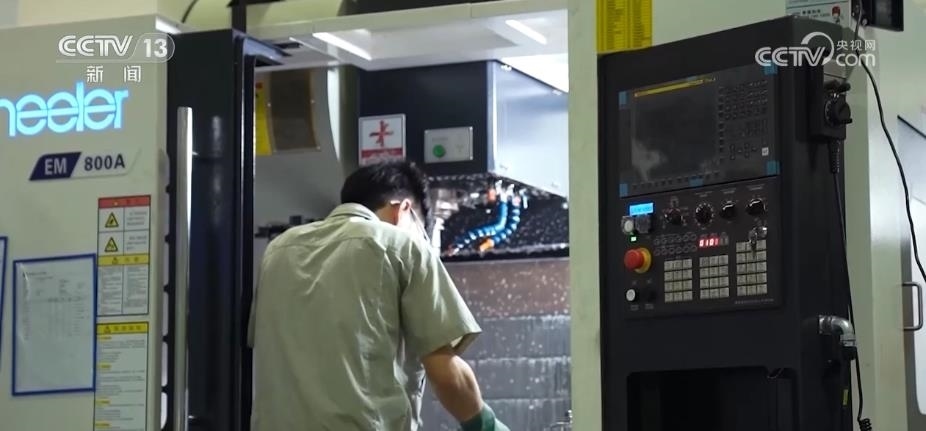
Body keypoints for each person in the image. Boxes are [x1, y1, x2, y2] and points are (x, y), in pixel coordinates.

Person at [247, 161, 509, 431]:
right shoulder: (401, 246)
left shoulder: (278, 249)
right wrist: (487, 425)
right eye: (422, 230)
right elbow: (446, 374)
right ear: (403, 209)